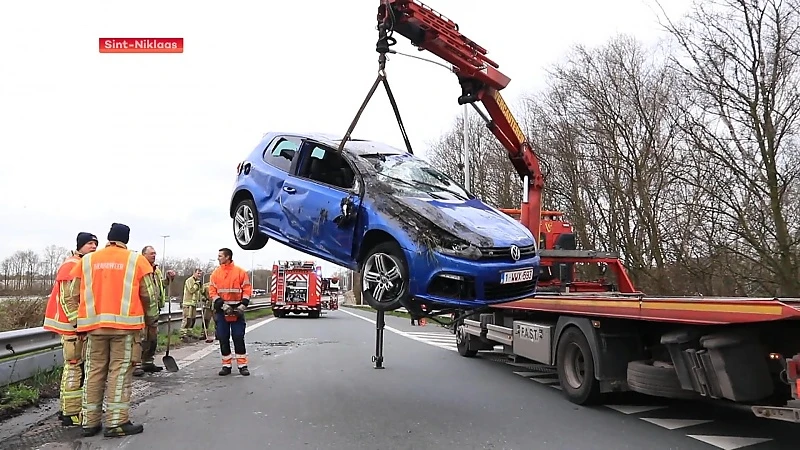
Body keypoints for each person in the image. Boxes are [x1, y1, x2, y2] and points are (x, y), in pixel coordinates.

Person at [65, 223, 156, 437]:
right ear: (126, 239)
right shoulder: (136, 260)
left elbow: (72, 293)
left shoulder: (87, 260)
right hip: (125, 329)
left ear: (109, 238)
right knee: (119, 373)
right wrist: (151, 320)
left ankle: (89, 423)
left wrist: (81, 319)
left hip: (93, 328)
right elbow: (149, 296)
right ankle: (116, 423)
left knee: (94, 373)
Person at [43, 232, 98, 427]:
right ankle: (71, 413)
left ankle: (68, 408)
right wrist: (78, 325)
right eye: (90, 243)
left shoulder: (82, 263)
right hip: (72, 327)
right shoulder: (71, 264)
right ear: (80, 245)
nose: (93, 247)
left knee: (76, 367)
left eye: (95, 244)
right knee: (75, 367)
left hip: (76, 326)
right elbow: (68, 298)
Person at [208, 248, 253, 376]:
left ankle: (242, 365)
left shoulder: (240, 272)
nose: (218, 258)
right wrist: (221, 305)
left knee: (238, 337)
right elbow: (212, 291)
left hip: (237, 310)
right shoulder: (215, 274)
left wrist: (243, 305)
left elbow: (247, 289)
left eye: (220, 256)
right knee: (223, 337)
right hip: (222, 311)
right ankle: (226, 365)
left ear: (227, 257)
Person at [132, 245, 176, 377]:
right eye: (151, 253)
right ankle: (136, 364)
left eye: (155, 253)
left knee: (153, 337)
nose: (154, 255)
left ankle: (148, 361)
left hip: (154, 308)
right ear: (143, 255)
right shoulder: (139, 269)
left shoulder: (156, 271)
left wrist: (168, 279)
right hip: (141, 309)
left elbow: (160, 285)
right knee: (140, 338)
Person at [180, 268, 202, 339]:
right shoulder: (189, 280)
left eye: (200, 274)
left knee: (192, 319)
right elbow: (191, 290)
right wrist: (197, 285)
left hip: (193, 304)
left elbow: (198, 293)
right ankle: (183, 334)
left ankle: (189, 333)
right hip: (187, 303)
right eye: (198, 273)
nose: (199, 275)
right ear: (194, 273)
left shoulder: (197, 282)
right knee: (187, 318)